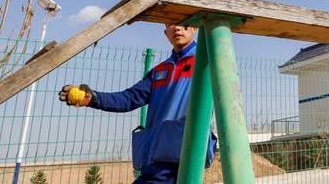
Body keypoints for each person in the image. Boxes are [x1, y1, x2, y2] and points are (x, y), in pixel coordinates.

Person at [59, 24, 217, 183]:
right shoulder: (159, 72)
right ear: (165, 32)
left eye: (183, 22)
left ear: (195, 27)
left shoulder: (207, 63)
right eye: (170, 24)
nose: (176, 28)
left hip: (183, 155)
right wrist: (93, 98)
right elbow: (129, 98)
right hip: (157, 158)